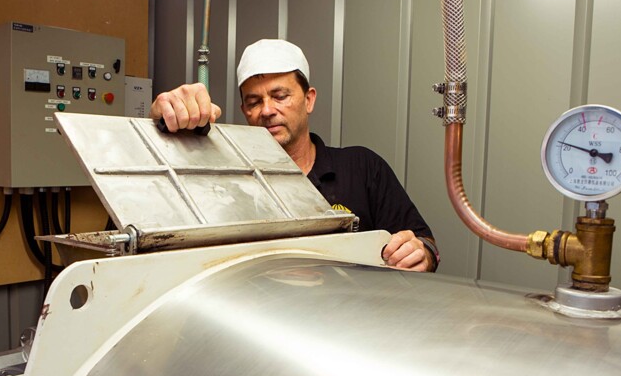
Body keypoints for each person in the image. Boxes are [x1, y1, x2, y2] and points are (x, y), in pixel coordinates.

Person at [150, 39, 438, 272]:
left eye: (280, 96)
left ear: (309, 99)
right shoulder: (228, 183)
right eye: (254, 101)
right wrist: (163, 129)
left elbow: (425, 242)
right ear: (244, 111)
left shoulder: (362, 168)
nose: (266, 110)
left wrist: (421, 252)